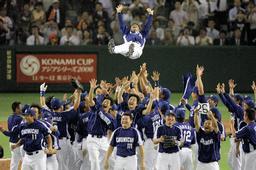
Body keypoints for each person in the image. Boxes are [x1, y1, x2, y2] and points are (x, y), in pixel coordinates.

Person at [0, 101, 23, 170]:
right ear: (16, 109)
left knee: (14, 162)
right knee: (25, 161)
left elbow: (11, 132)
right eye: (20, 107)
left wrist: (3, 130)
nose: (21, 109)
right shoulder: (19, 119)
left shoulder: (9, 117)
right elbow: (13, 132)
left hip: (11, 142)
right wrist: (3, 131)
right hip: (19, 144)